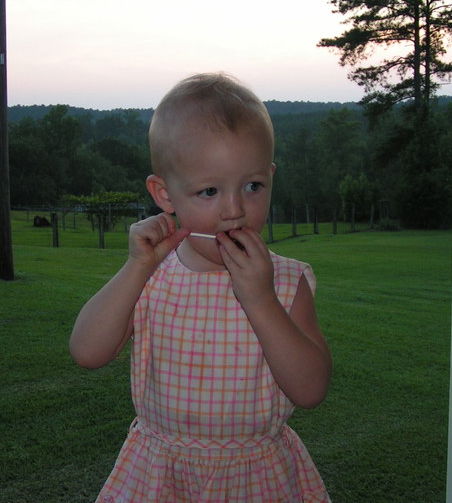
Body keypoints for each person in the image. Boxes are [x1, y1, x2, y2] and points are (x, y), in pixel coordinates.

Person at [70, 73, 332, 502]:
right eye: (209, 191)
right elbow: (87, 352)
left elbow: (310, 390)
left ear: (271, 178)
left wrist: (261, 299)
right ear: (164, 194)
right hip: (160, 474)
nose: (234, 210)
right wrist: (136, 267)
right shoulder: (151, 275)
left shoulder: (286, 282)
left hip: (255, 477)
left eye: (252, 186)